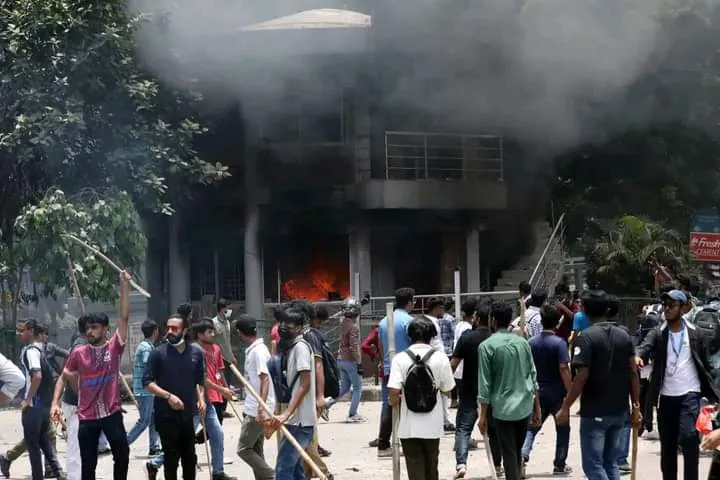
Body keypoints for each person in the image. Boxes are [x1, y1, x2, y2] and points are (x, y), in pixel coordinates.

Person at [557, 290, 642, 480]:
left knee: (593, 466)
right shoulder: (624, 336)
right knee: (610, 463)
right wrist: (636, 406)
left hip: (595, 411)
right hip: (620, 410)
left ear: (585, 311)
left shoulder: (585, 337)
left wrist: (565, 407)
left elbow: (581, 377)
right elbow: (633, 373)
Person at [635, 289, 719, 480]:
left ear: (683, 307)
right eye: (665, 305)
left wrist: (714, 394)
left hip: (689, 394)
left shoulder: (695, 333)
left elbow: (707, 364)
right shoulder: (659, 332)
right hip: (665, 398)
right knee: (668, 446)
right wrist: (639, 355)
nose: (667, 309)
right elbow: (645, 345)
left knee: (689, 438)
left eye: (671, 305)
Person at [62, 272, 131, 480]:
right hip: (87, 417)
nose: (89, 332)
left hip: (111, 414)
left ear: (105, 329)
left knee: (122, 454)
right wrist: (78, 390)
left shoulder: (114, 348)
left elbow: (124, 317)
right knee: (88, 463)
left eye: (94, 328)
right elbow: (66, 372)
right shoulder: (79, 352)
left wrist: (124, 286)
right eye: (87, 328)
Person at [478, 302, 541, 480]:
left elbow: (485, 383)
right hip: (524, 406)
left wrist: (482, 416)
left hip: (503, 409)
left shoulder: (486, 346)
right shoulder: (523, 343)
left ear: (493, 320)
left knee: (509, 453)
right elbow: (533, 376)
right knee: (516, 450)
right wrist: (537, 407)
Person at [388, 317, 455, 480]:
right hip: (433, 425)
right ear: (431, 335)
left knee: (414, 468)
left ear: (409, 335)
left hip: (409, 426)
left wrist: (393, 402)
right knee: (432, 467)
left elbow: (394, 392)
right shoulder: (441, 358)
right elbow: (447, 390)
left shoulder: (400, 358)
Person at [143, 314, 206, 480]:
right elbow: (147, 382)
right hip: (165, 415)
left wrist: (202, 400)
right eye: (168, 328)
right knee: (171, 459)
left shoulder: (196, 354)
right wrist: (168, 396)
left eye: (175, 328)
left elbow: (199, 381)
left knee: (190, 458)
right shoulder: (158, 353)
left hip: (187, 415)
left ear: (184, 330)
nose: (170, 331)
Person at [520, 304, 572, 475]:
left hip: (537, 393)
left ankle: (523, 454)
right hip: (557, 393)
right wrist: (570, 391)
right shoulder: (560, 344)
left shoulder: (531, 343)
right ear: (557, 323)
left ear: (541, 322)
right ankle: (559, 463)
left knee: (533, 426)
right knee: (563, 428)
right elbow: (564, 368)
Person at [451, 301, 501, 479]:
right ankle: (497, 464)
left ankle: (461, 463)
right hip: (493, 391)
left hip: (469, 389)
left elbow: (454, 364)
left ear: (476, 318)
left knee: (463, 428)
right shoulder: (496, 339)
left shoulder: (467, 337)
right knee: (494, 429)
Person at [268, 308, 317, 480]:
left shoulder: (301, 348)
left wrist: (287, 413)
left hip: (300, 420)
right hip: (295, 419)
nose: (283, 326)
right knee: (296, 470)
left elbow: (305, 382)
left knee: (283, 469)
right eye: (282, 322)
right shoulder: (293, 347)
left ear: (299, 328)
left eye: (289, 323)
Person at [16, 318, 64, 480]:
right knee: (44, 443)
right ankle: (59, 473)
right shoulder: (43, 349)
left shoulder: (30, 351)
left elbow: (36, 375)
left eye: (21, 330)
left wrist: (27, 399)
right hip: (43, 405)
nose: (18, 334)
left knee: (33, 446)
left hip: (34, 406)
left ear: (31, 331)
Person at [192, 319, 236, 480]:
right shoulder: (195, 350)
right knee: (184, 437)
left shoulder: (216, 349)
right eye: (209, 332)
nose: (212, 334)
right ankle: (156, 462)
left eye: (212, 331)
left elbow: (219, 371)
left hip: (211, 398)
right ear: (199, 334)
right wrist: (221, 390)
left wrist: (226, 389)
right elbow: (201, 380)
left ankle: (218, 472)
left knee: (217, 433)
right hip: (196, 400)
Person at [235, 315, 275, 480]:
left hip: (256, 409)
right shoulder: (257, 349)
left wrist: (260, 407)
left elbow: (264, 378)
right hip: (255, 406)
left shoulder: (258, 351)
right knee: (256, 450)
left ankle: (273, 476)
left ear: (239, 333)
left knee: (243, 449)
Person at [377, 287, 414, 457]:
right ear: (409, 302)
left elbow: (380, 345)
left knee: (388, 405)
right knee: (407, 405)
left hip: (387, 367)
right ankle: (405, 442)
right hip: (406, 369)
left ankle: (383, 445)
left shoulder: (384, 321)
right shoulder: (409, 321)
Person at [126, 320, 161, 456]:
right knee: (144, 420)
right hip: (144, 390)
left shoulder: (147, 345)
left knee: (153, 419)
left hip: (147, 390)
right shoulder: (146, 347)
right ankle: (124, 443)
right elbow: (149, 364)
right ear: (155, 331)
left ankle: (154, 447)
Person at [330, 297, 365, 422]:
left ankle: (326, 405)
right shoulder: (354, 327)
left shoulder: (343, 322)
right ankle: (352, 414)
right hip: (350, 361)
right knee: (357, 388)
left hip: (341, 359)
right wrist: (359, 363)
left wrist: (362, 303)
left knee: (344, 388)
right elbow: (354, 346)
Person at [212, 298, 237, 400]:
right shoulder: (214, 322)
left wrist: (232, 356)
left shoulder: (227, 323)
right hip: (219, 357)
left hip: (228, 357)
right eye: (227, 309)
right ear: (222, 309)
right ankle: (220, 407)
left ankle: (224, 407)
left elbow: (227, 342)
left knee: (227, 381)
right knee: (219, 381)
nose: (229, 311)